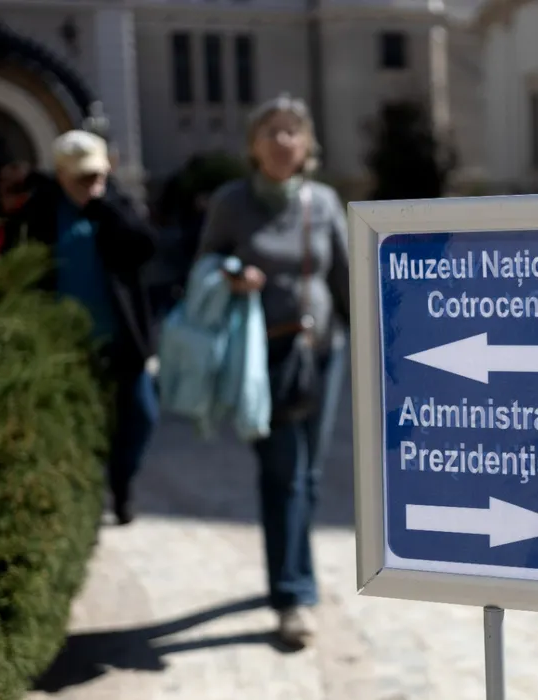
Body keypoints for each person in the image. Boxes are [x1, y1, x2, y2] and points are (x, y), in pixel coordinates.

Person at [196, 94, 350, 649]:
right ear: (253, 145)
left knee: (309, 474)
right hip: (262, 359)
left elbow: (346, 278)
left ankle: (293, 568)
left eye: (292, 131)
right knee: (284, 473)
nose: (283, 141)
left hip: (322, 355)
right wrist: (234, 274)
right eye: (271, 131)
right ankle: (292, 596)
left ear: (307, 145)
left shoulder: (323, 202)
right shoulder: (232, 202)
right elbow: (205, 262)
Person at [0, 129, 161, 523]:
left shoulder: (117, 204)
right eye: (82, 177)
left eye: (98, 175)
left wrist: (105, 208)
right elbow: (13, 269)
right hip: (63, 346)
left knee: (141, 414)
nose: (92, 184)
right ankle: (80, 498)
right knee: (74, 423)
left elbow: (147, 247)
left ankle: (121, 483)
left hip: (121, 340)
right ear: (61, 175)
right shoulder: (38, 213)